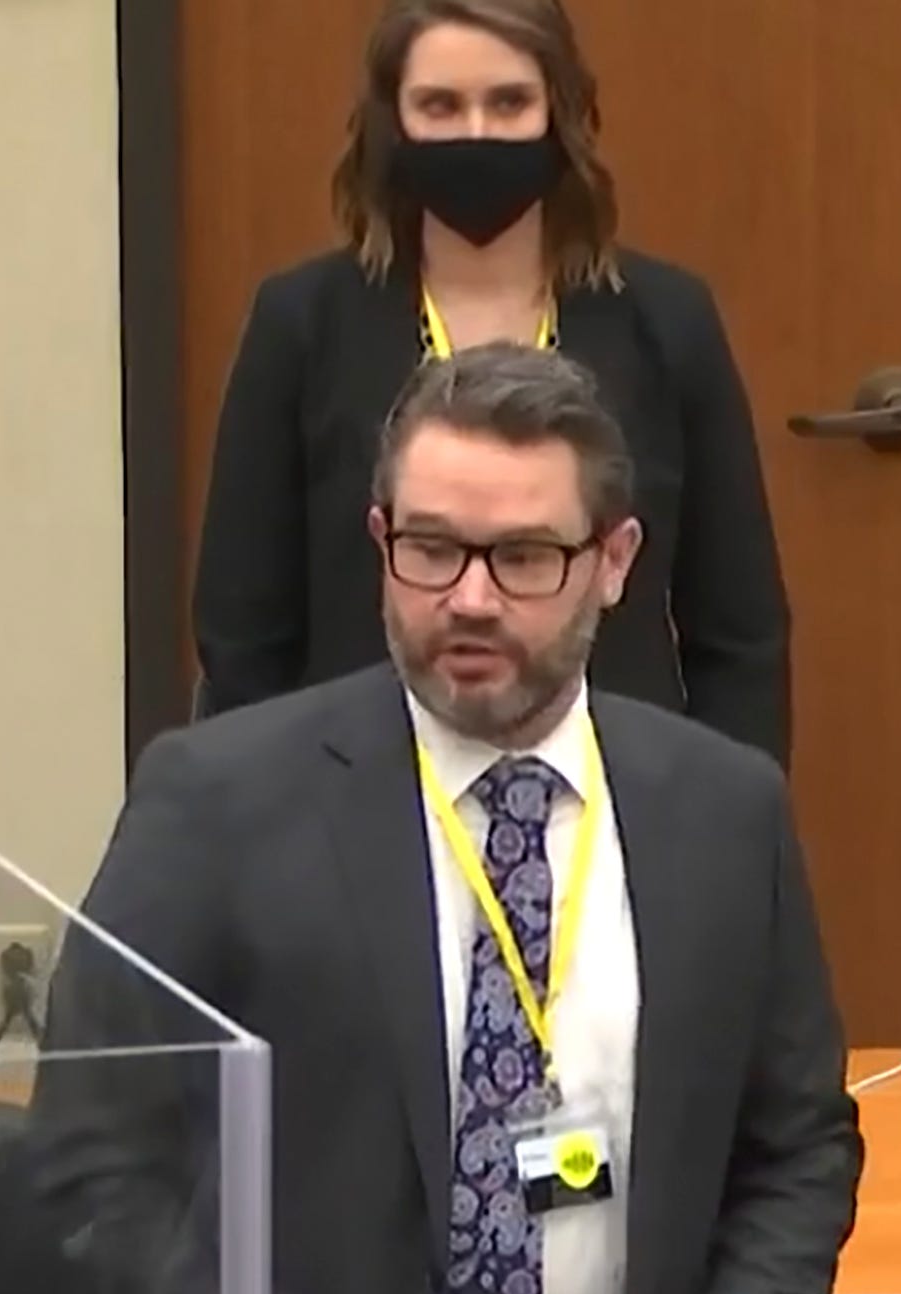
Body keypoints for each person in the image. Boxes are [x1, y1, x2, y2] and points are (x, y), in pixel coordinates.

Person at [36, 342, 860, 1294]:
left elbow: (799, 1148)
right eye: (430, 550)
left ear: (614, 560)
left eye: (523, 558)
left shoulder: (725, 813)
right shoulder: (217, 800)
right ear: (378, 541)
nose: (468, 600)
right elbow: (93, 1168)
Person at [192, 0, 793, 764]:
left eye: (508, 103)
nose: (475, 132)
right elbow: (243, 631)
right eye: (440, 105)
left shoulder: (670, 323)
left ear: (560, 116)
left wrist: (725, 826)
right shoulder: (302, 324)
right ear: (393, 123)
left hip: (613, 798)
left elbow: (739, 632)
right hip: (359, 801)